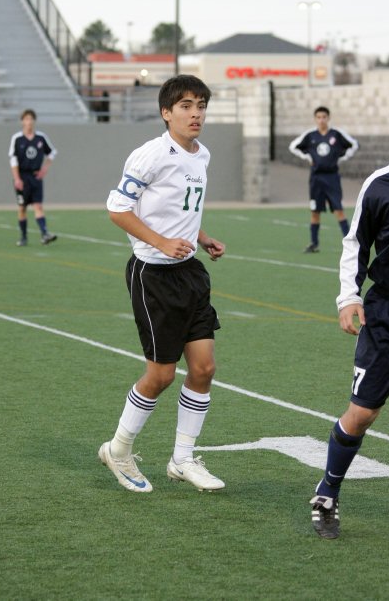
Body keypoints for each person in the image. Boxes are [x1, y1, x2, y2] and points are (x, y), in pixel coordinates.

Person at [99, 74, 226, 493]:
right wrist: (160, 242)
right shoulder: (150, 154)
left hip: (189, 272)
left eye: (201, 105)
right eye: (187, 106)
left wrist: (201, 237)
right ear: (166, 112)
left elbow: (178, 207)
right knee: (162, 375)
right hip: (152, 274)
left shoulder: (201, 154)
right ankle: (118, 449)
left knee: (204, 368)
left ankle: (183, 460)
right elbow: (118, 209)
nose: (196, 114)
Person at [310, 161, 389, 538]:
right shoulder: (380, 184)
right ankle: (327, 493)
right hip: (386, 315)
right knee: (362, 414)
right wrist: (348, 297)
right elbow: (356, 243)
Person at [289, 106, 359, 253]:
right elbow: (293, 147)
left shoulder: (337, 134)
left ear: (328, 118)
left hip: (332, 177)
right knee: (315, 211)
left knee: (338, 210)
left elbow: (354, 145)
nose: (321, 120)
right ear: (315, 119)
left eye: (324, 117)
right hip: (316, 178)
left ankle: (350, 243)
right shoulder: (310, 135)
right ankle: (314, 243)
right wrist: (308, 157)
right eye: (318, 117)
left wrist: (341, 158)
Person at [8, 109, 58, 246]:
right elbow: (13, 159)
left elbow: (52, 152)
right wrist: (17, 178)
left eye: (31, 119)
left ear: (34, 121)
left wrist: (44, 169)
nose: (29, 122)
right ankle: (23, 237)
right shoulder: (17, 138)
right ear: (22, 121)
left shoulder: (40, 138)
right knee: (22, 207)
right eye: (26, 119)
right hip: (22, 176)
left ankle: (44, 233)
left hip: (35, 177)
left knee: (38, 206)